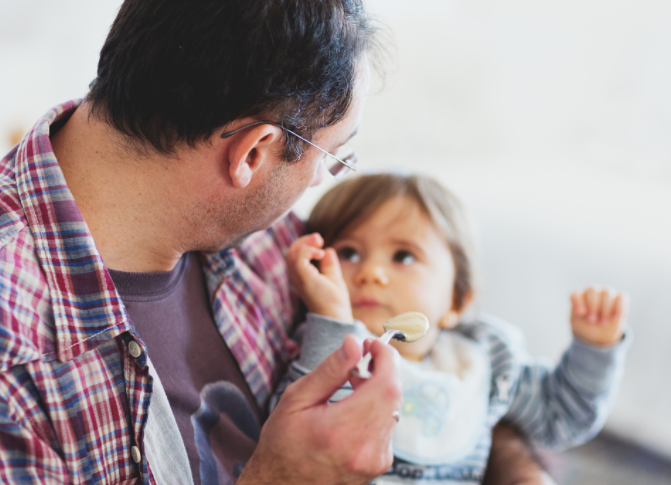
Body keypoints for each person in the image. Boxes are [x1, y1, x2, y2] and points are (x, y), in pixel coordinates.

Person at [0, 1, 558, 483]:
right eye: (333, 158)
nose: (319, 184)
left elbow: (445, 360)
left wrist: (517, 470)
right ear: (252, 154)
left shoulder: (272, 245)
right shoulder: (16, 363)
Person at [278, 172, 632, 483]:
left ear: (457, 301)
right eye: (350, 253)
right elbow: (302, 438)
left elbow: (562, 414)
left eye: (403, 256)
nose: (372, 272)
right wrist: (333, 318)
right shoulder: (317, 345)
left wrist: (594, 349)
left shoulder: (488, 358)